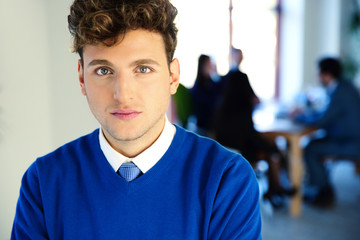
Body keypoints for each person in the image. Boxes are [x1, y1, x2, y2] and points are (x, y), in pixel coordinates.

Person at [11, 0, 262, 239]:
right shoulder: (43, 181)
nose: (123, 95)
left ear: (173, 77)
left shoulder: (226, 180)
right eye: (103, 70)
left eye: (143, 69)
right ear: (81, 79)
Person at [214, 48, 295, 208]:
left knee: (270, 149)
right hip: (241, 151)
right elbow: (251, 137)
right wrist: (271, 147)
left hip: (227, 149)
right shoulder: (243, 110)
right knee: (271, 151)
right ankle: (276, 189)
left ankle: (274, 190)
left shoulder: (222, 107)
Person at [292, 57, 360, 208]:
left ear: (326, 74)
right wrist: (306, 114)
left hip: (351, 143)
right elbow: (326, 114)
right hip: (347, 138)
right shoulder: (343, 87)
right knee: (313, 143)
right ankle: (319, 186)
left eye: (318, 73)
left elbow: (321, 120)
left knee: (310, 149)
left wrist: (300, 117)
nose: (317, 77)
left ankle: (324, 192)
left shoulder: (341, 93)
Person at [190, 54, 220, 137]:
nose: (211, 66)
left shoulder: (211, 83)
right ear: (202, 66)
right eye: (209, 64)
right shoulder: (198, 87)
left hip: (213, 125)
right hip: (204, 127)